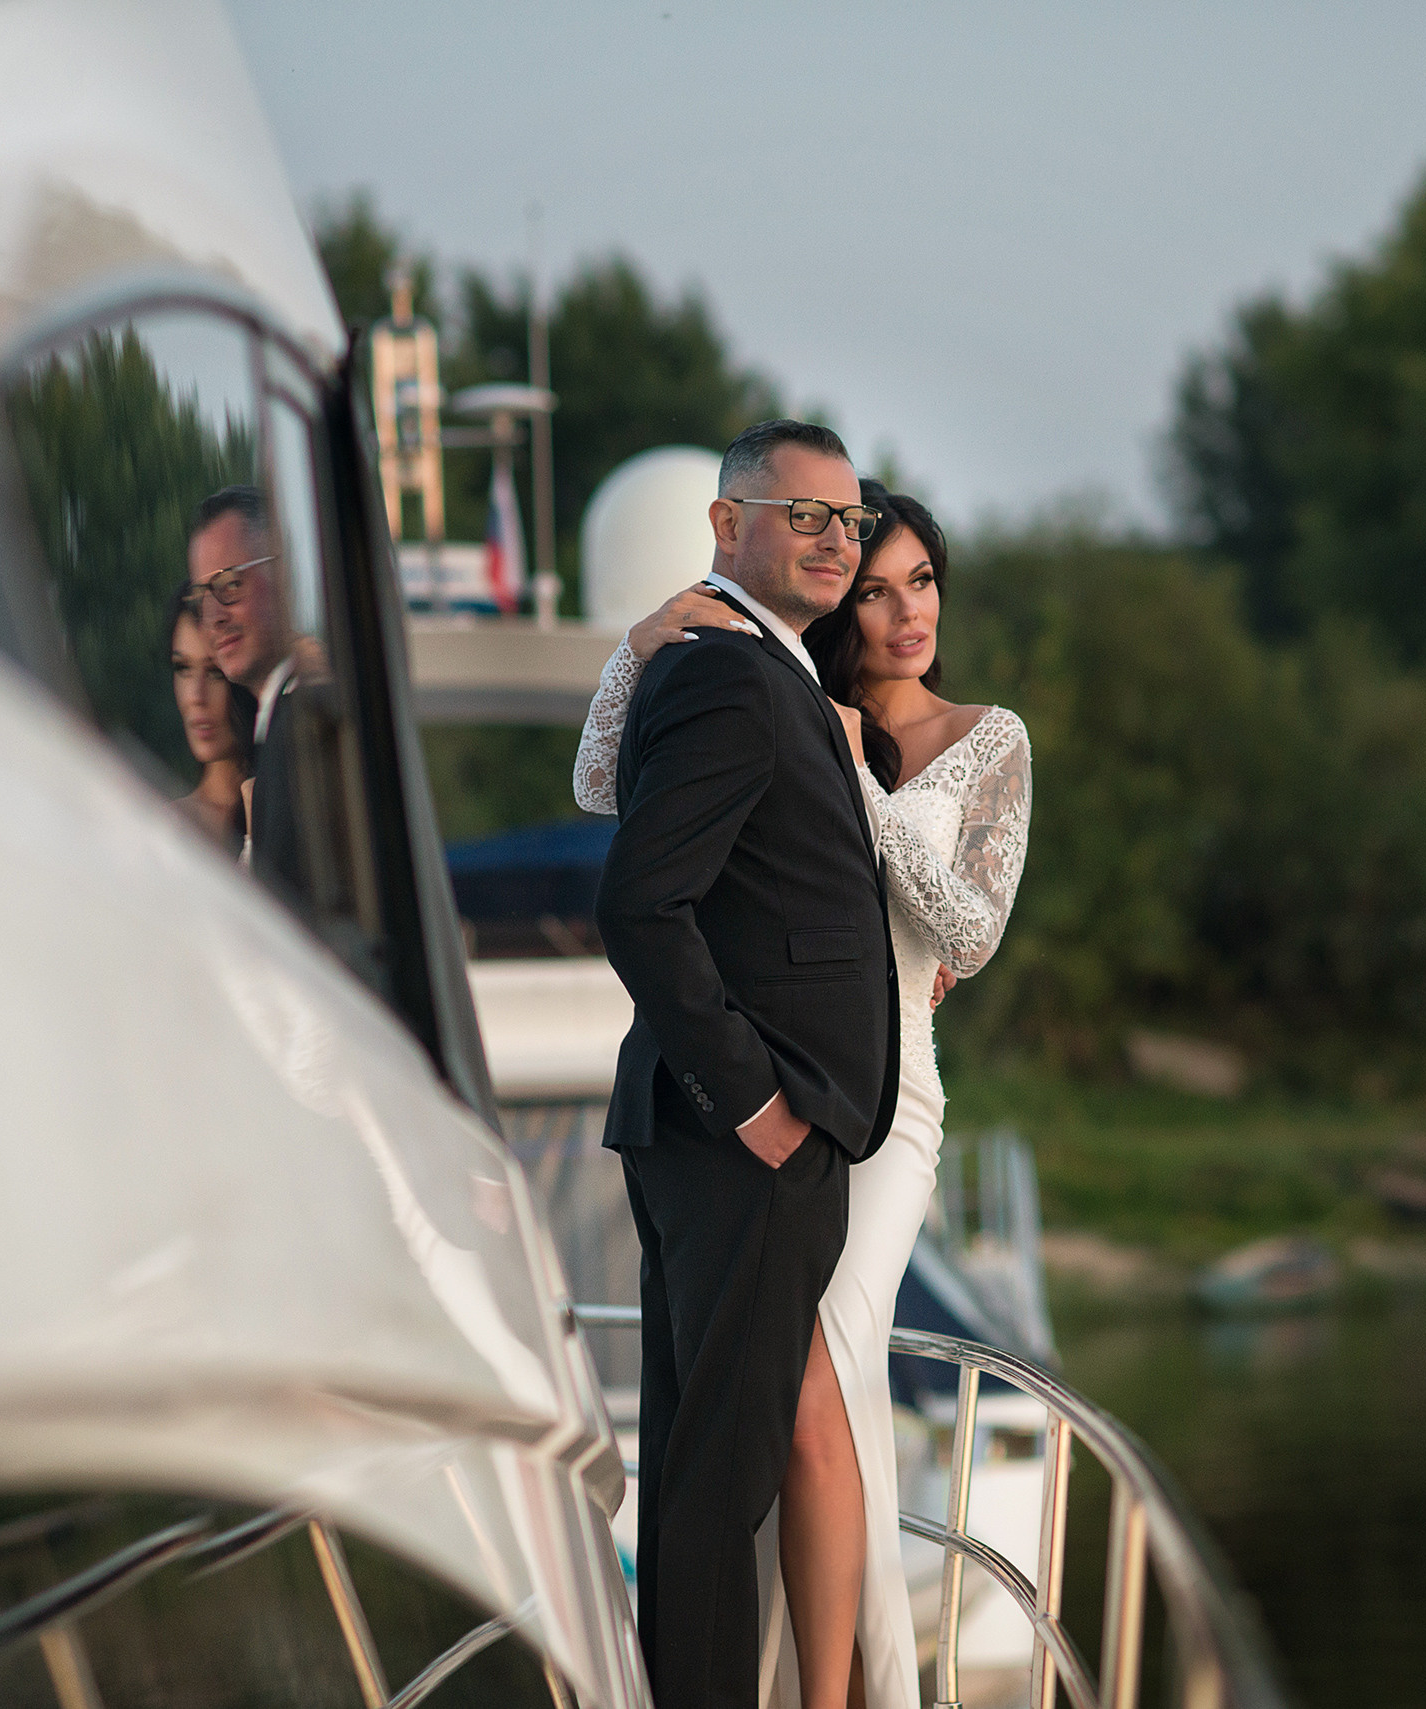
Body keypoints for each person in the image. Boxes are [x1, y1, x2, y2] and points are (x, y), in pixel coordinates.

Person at [577, 480, 1033, 1709]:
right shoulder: (775, 700)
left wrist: (867, 794)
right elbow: (599, 791)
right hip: (787, 1090)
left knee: (820, 1368)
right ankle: (811, 1681)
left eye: (921, 582)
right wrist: (637, 645)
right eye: (875, 588)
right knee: (800, 1394)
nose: (903, 613)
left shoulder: (987, 735)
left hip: (894, 1100)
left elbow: (971, 932)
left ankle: (843, 1690)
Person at [593, 420, 901, 1709]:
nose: (834, 540)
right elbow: (640, 903)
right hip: (741, 1144)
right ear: (728, 526)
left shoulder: (757, 670)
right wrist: (761, 1104)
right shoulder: (728, 673)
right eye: (803, 514)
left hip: (728, 1139)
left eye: (849, 519)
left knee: (698, 1478)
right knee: (715, 1489)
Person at [185, 485, 312, 907]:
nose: (215, 616)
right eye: (202, 596)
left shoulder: (304, 732)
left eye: (230, 585)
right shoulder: (278, 730)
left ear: (284, 576)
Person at [165, 587, 250, 853]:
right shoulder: (169, 828)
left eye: (214, 672)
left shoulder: (294, 797)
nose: (195, 697)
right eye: (183, 668)